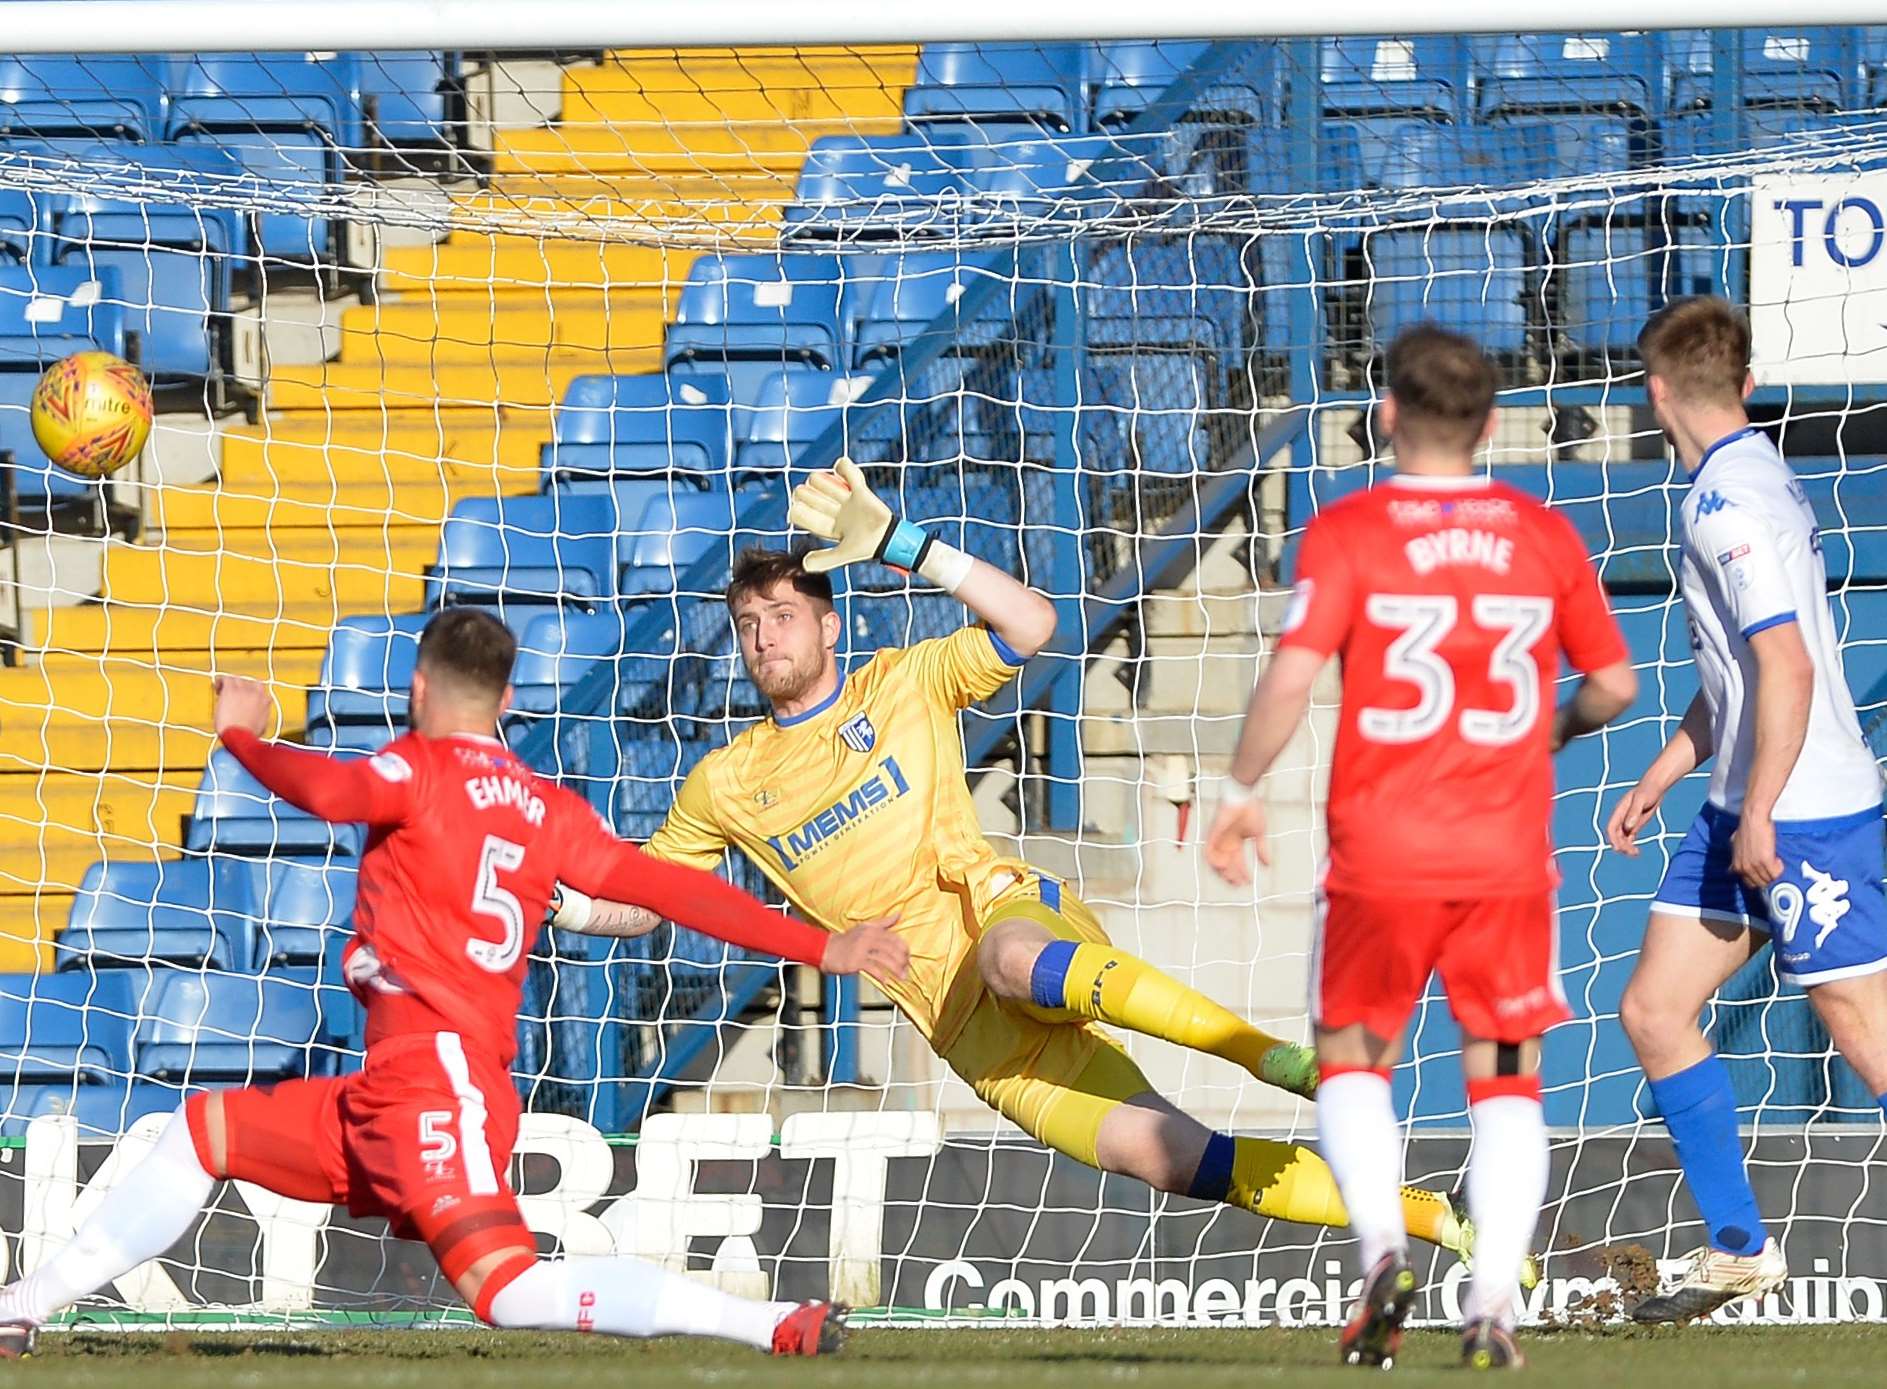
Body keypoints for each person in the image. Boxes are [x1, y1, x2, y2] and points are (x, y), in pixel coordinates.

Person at [552, 458, 1507, 1288]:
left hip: (1006, 920)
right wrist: (572, 908)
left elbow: (1033, 623)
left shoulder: (902, 680)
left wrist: (907, 545)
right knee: (1169, 1157)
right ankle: (1433, 1216)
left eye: (784, 614)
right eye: (749, 622)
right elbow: (653, 901)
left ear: (829, 626)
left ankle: (1278, 1059)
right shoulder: (727, 781)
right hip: (962, 1027)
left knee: (1010, 957)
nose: (766, 636)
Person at [0, 607, 911, 1359]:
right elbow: (673, 886)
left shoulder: (417, 766)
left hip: (433, 1084)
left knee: (509, 1293)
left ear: (418, 690)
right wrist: (816, 945)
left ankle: (769, 1324)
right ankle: (24, 1302)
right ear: (510, 698)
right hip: (409, 1087)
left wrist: (241, 731)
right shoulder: (551, 810)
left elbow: (329, 794)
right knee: (202, 1133)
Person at [1204, 325, 1637, 1369]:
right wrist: (1557, 727)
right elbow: (1618, 684)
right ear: (1491, 424)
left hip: (1379, 858)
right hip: (1503, 860)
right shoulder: (1542, 533)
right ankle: (1493, 1302)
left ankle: (1383, 1252)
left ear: (1385, 413)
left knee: (1354, 1061)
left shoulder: (1347, 530)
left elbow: (1293, 676)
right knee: (1506, 1081)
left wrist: (1239, 788)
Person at [1607, 297, 1887, 1324]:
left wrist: (1760, 810)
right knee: (1655, 1010)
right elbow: (1737, 665)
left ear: (1655, 392)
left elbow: (1785, 662)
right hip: (1741, 801)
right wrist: (1671, 767)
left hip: (1801, 812)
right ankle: (1739, 1250)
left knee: (1865, 1032)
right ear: (1750, 387)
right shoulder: (1751, 472)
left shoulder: (1726, 503)